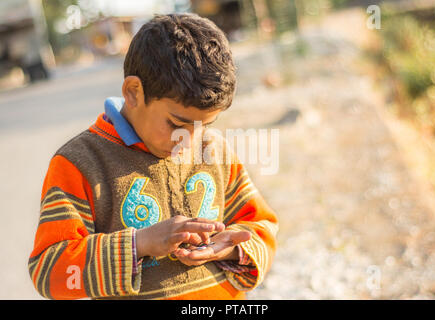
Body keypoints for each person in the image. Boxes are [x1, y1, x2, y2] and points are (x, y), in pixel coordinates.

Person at [28, 13, 278, 300]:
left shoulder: (214, 150)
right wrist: (139, 243)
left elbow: (262, 226)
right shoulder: (80, 163)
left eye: (205, 125)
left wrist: (233, 247)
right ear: (134, 92)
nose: (190, 140)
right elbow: (49, 273)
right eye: (176, 124)